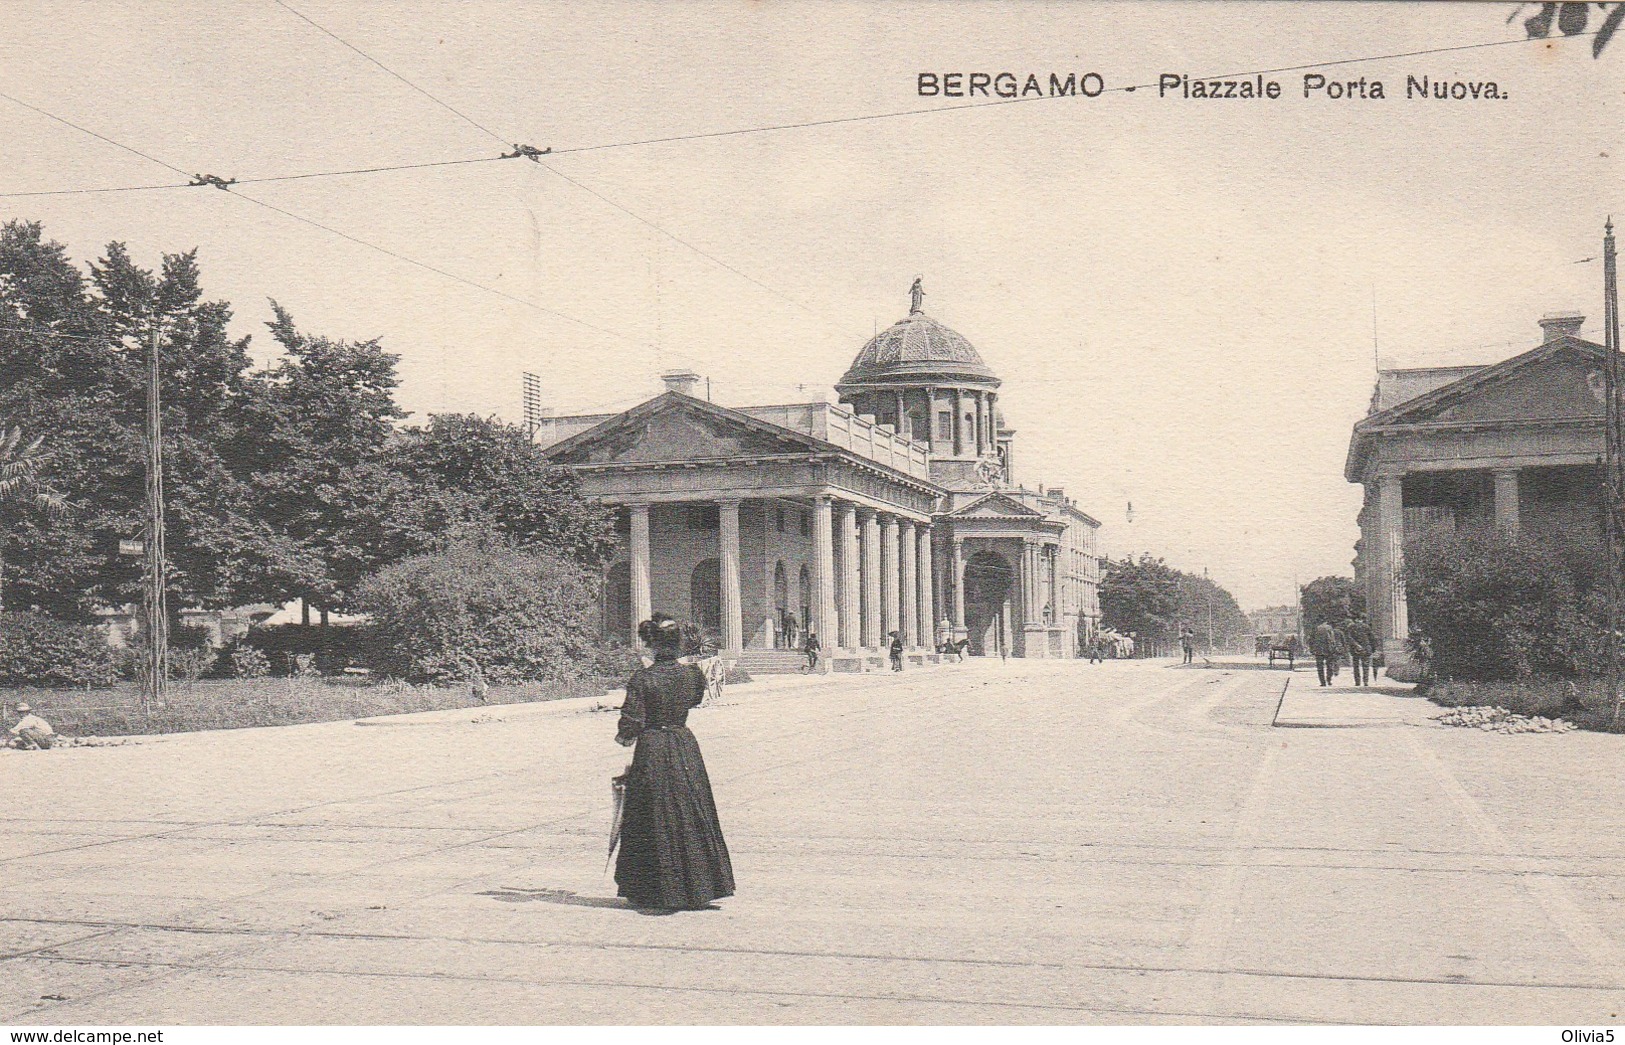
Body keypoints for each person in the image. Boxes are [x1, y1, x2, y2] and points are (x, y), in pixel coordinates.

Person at [614, 614, 734, 911]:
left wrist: (625, 737)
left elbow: (631, 724)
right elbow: (693, 700)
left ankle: (653, 889)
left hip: (653, 746)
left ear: (650, 645)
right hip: (683, 744)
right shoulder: (693, 675)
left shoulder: (643, 679)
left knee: (651, 810)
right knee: (690, 807)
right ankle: (700, 885)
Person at [1344, 612, 1376, 687]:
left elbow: (1348, 638)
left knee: (1356, 666)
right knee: (1366, 666)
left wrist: (1356, 645)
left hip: (1355, 649)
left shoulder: (1351, 627)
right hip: (1366, 648)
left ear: (1356, 619)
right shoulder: (1367, 627)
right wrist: (1373, 648)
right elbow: (1372, 638)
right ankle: (1365, 681)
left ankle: (1357, 682)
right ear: (1362, 619)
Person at [1309, 619, 1338, 687]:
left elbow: (1311, 640)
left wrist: (1312, 649)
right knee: (1329, 665)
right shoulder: (1329, 628)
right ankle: (1329, 679)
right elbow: (1332, 639)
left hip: (1318, 650)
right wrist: (1334, 647)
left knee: (1320, 667)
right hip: (1328, 649)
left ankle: (1322, 682)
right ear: (1326, 622)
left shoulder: (1315, 629)